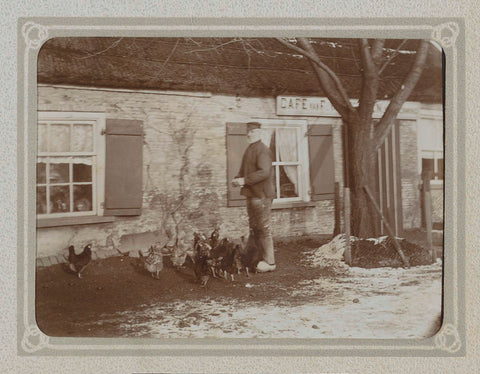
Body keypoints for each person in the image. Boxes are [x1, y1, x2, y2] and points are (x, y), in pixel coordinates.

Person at [231, 121, 276, 273]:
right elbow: (244, 170)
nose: (249, 134)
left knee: (264, 228)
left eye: (253, 131)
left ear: (259, 133)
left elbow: (264, 172)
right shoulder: (250, 149)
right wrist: (237, 178)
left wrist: (244, 180)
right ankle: (253, 258)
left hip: (262, 196)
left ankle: (270, 262)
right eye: (248, 132)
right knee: (254, 228)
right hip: (252, 195)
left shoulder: (262, 150)